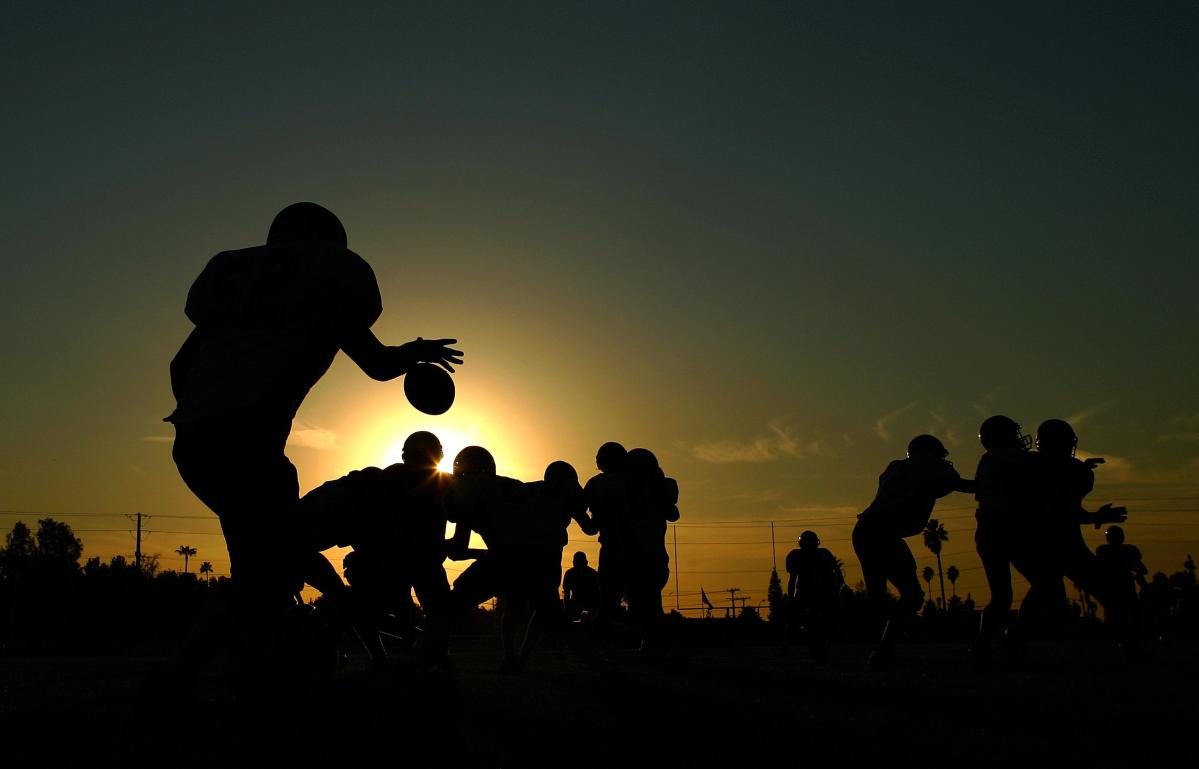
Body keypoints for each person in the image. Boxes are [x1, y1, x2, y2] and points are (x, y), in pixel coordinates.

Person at [161, 203, 463, 692]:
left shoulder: (232, 297)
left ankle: (255, 669)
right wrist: (419, 351)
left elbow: (179, 368)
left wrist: (207, 409)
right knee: (268, 570)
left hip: (194, 441)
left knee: (261, 566)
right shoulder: (324, 283)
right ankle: (175, 678)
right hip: (251, 442)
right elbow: (378, 364)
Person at [296, 430, 452, 671]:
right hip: (298, 536)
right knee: (361, 600)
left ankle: (383, 655)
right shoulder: (394, 486)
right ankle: (312, 647)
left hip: (307, 533)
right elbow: (411, 551)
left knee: (360, 600)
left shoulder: (391, 482)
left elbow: (409, 552)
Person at [446, 448, 604, 672]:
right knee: (553, 616)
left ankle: (420, 656)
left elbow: (457, 549)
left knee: (452, 608)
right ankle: (600, 665)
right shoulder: (542, 490)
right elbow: (589, 527)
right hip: (539, 558)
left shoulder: (487, 489)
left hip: (509, 555)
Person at [852, 434, 974, 668]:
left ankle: (826, 625)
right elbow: (959, 484)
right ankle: (883, 649)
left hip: (866, 529)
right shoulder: (928, 466)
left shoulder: (896, 467)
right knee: (912, 595)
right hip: (884, 532)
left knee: (876, 597)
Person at [1026, 419, 1131, 652]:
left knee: (1042, 597)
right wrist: (1094, 517)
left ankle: (1012, 641)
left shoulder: (1061, 469)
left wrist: (1094, 517)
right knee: (1048, 599)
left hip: (1049, 545)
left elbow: (1070, 511)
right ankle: (1129, 643)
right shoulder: (1056, 470)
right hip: (1056, 545)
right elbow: (1066, 512)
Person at [970, 415, 1037, 665]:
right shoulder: (1012, 458)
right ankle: (1015, 638)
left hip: (987, 529)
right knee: (1044, 583)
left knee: (1001, 596)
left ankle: (983, 644)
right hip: (1005, 527)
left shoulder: (988, 460)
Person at [621, 448, 680, 663]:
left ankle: (667, 648)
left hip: (643, 556)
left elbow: (672, 513)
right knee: (650, 605)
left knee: (644, 607)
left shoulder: (635, 489)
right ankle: (648, 648)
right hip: (654, 556)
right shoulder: (656, 489)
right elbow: (673, 513)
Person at [783, 530, 843, 663]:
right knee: (794, 619)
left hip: (818, 593)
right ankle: (787, 645)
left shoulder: (818, 555)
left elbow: (793, 579)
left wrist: (791, 597)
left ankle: (786, 646)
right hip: (810, 593)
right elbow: (837, 574)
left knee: (796, 619)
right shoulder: (822, 554)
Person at [562, 551, 601, 621]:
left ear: (573, 563)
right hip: (587, 605)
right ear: (586, 562)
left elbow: (566, 595)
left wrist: (567, 612)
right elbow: (598, 594)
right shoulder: (593, 573)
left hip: (582, 604)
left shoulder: (570, 574)